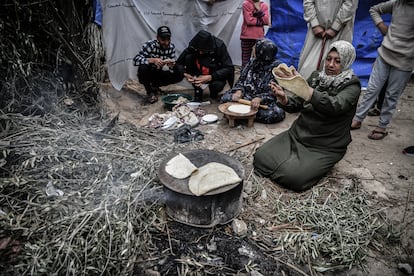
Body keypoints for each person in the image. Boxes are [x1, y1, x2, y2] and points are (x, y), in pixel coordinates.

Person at [253, 40, 361, 192]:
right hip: (298, 135)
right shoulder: (317, 76)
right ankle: (292, 162)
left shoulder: (352, 85)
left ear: (347, 62)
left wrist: (308, 91)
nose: (330, 64)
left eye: (337, 61)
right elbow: (296, 103)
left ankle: (302, 166)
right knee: (260, 158)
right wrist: (283, 98)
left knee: (294, 179)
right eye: (329, 59)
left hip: (325, 145)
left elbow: (336, 105)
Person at [351, 0, 414, 140]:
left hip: (405, 59)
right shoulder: (397, 3)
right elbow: (374, 9)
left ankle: (382, 126)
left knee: (392, 95)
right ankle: (358, 118)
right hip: (385, 53)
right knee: (372, 88)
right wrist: (382, 26)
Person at [220, 39, 285, 124]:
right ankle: (247, 114)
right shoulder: (253, 62)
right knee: (225, 98)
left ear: (262, 52)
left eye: (255, 48)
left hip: (264, 103)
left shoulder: (278, 69)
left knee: (276, 113)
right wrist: (239, 91)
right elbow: (241, 80)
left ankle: (242, 114)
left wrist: (260, 99)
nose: (252, 49)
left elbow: (275, 93)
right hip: (246, 97)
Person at [298, 0, 358, 80]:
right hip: (316, 30)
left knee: (335, 66)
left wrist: (336, 26)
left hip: (341, 29)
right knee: (307, 68)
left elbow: (350, 4)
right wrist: (314, 23)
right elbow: (308, 1)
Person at [176, 30, 234, 102]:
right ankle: (198, 90)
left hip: (214, 73)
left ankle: (214, 93)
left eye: (203, 50)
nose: (200, 52)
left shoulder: (219, 46)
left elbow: (229, 68)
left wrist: (211, 77)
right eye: (198, 50)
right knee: (189, 57)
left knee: (216, 85)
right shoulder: (194, 45)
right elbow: (179, 63)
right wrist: (185, 74)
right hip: (198, 73)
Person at [133, 26, 184, 104]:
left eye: (168, 39)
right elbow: (135, 60)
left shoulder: (171, 47)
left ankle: (155, 87)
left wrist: (172, 65)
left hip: (159, 73)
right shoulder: (150, 45)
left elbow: (172, 67)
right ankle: (150, 92)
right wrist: (152, 60)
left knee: (180, 70)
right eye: (163, 40)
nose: (166, 42)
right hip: (148, 73)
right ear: (157, 38)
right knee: (143, 67)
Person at [240, 0, 270, 68]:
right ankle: (243, 77)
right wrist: (261, 22)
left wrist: (259, 10)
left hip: (258, 37)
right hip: (246, 37)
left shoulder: (264, 5)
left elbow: (266, 21)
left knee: (257, 60)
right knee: (245, 61)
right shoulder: (246, 4)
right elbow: (249, 21)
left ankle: (254, 77)